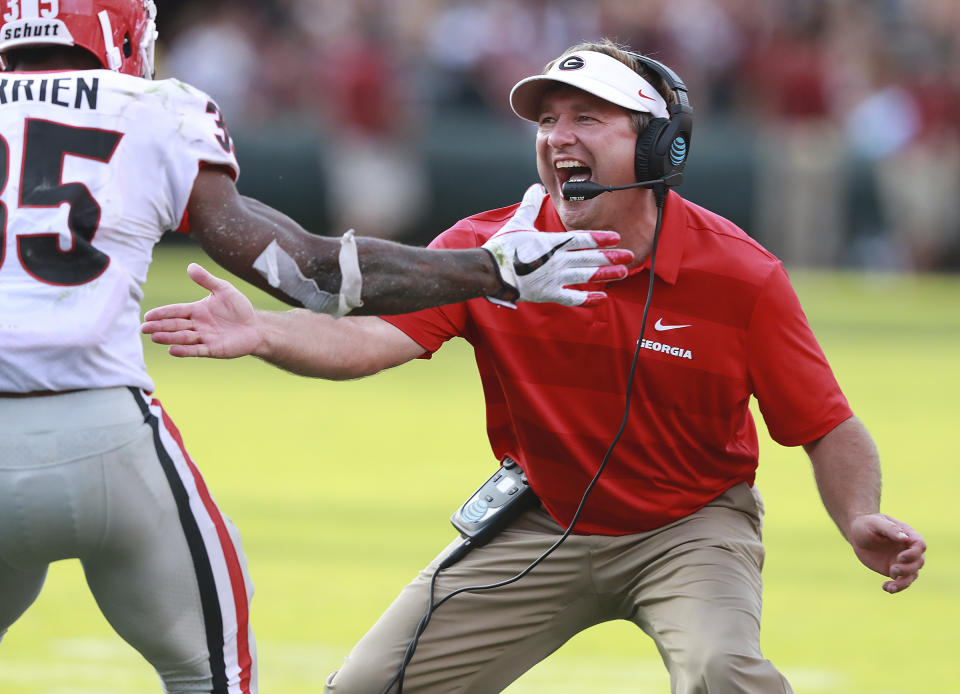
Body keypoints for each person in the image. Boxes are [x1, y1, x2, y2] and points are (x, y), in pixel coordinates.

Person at [143, 40, 927, 694]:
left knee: (724, 672)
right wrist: (267, 332)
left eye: (589, 118)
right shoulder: (489, 253)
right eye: (548, 121)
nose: (559, 137)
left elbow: (827, 424)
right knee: (365, 688)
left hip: (690, 526)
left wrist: (859, 517)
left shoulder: (743, 274)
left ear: (661, 146)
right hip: (543, 521)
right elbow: (371, 342)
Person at [0, 3, 632, 692]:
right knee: (215, 675)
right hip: (106, 434)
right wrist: (495, 268)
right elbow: (314, 274)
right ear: (123, 30)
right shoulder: (157, 109)